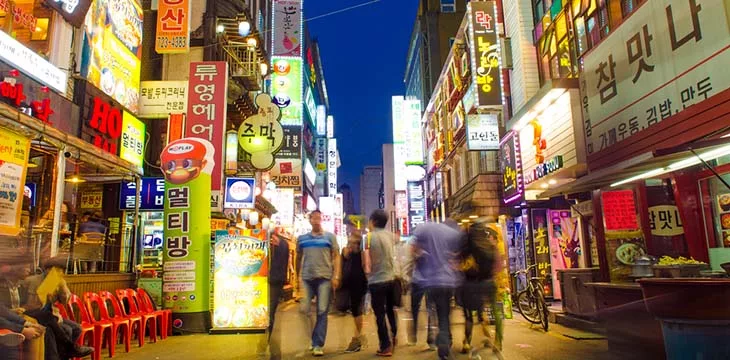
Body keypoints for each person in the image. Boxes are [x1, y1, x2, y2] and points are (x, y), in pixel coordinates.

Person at [412, 220, 465, 360]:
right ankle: (445, 341)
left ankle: (440, 342)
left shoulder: (427, 228)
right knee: (445, 313)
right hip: (448, 281)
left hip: (431, 280)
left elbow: (415, 248)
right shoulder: (453, 234)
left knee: (434, 311)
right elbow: (459, 255)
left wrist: (423, 263)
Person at [23, 256, 93, 359]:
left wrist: (62, 287)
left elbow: (65, 301)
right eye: (55, 269)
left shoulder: (58, 282)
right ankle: (67, 351)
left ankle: (65, 353)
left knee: (77, 328)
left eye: (61, 270)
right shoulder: (34, 281)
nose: (57, 272)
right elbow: (32, 305)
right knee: (67, 330)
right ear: (47, 269)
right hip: (34, 314)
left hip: (52, 313)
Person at [296, 210, 341, 357]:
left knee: (322, 311)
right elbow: (298, 258)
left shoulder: (329, 237)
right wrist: (297, 276)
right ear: (309, 220)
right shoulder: (302, 239)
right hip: (307, 278)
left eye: (318, 218)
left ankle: (317, 344)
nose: (316, 220)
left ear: (321, 219)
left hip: (325, 278)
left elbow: (336, 257)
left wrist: (336, 276)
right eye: (313, 218)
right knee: (304, 309)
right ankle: (313, 337)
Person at [458, 221, 502, 356]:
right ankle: (498, 341)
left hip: (471, 284)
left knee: (468, 315)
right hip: (489, 282)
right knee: (495, 310)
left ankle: (467, 341)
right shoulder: (489, 244)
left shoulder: (468, 244)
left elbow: (460, 262)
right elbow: (498, 265)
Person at [362, 210, 398, 357]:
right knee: (390, 309)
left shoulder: (367, 238)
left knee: (380, 314)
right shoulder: (391, 236)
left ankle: (385, 346)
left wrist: (367, 274)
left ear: (374, 222)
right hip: (391, 278)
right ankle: (394, 336)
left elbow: (365, 261)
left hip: (376, 280)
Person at [342, 225, 368, 353]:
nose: (351, 242)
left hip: (359, 283)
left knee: (357, 311)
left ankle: (357, 338)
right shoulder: (348, 252)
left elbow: (365, 266)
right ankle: (358, 337)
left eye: (354, 240)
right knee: (355, 310)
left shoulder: (361, 253)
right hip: (350, 283)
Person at [266, 227, 290, 359]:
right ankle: (267, 336)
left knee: (270, 310)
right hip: (274, 280)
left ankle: (267, 337)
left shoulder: (282, 244)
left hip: (273, 281)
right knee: (270, 310)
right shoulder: (282, 244)